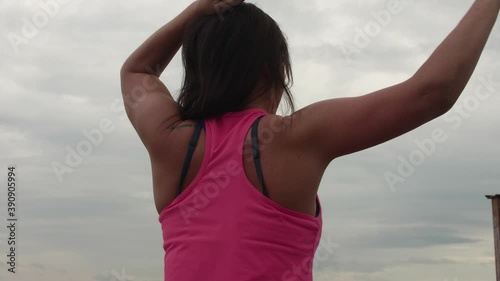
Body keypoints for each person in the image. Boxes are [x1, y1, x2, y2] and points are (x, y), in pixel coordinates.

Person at [119, 0, 499, 280]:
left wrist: (202, 9)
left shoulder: (170, 143)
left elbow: (136, 70)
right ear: (270, 70)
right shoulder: (292, 138)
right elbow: (431, 92)